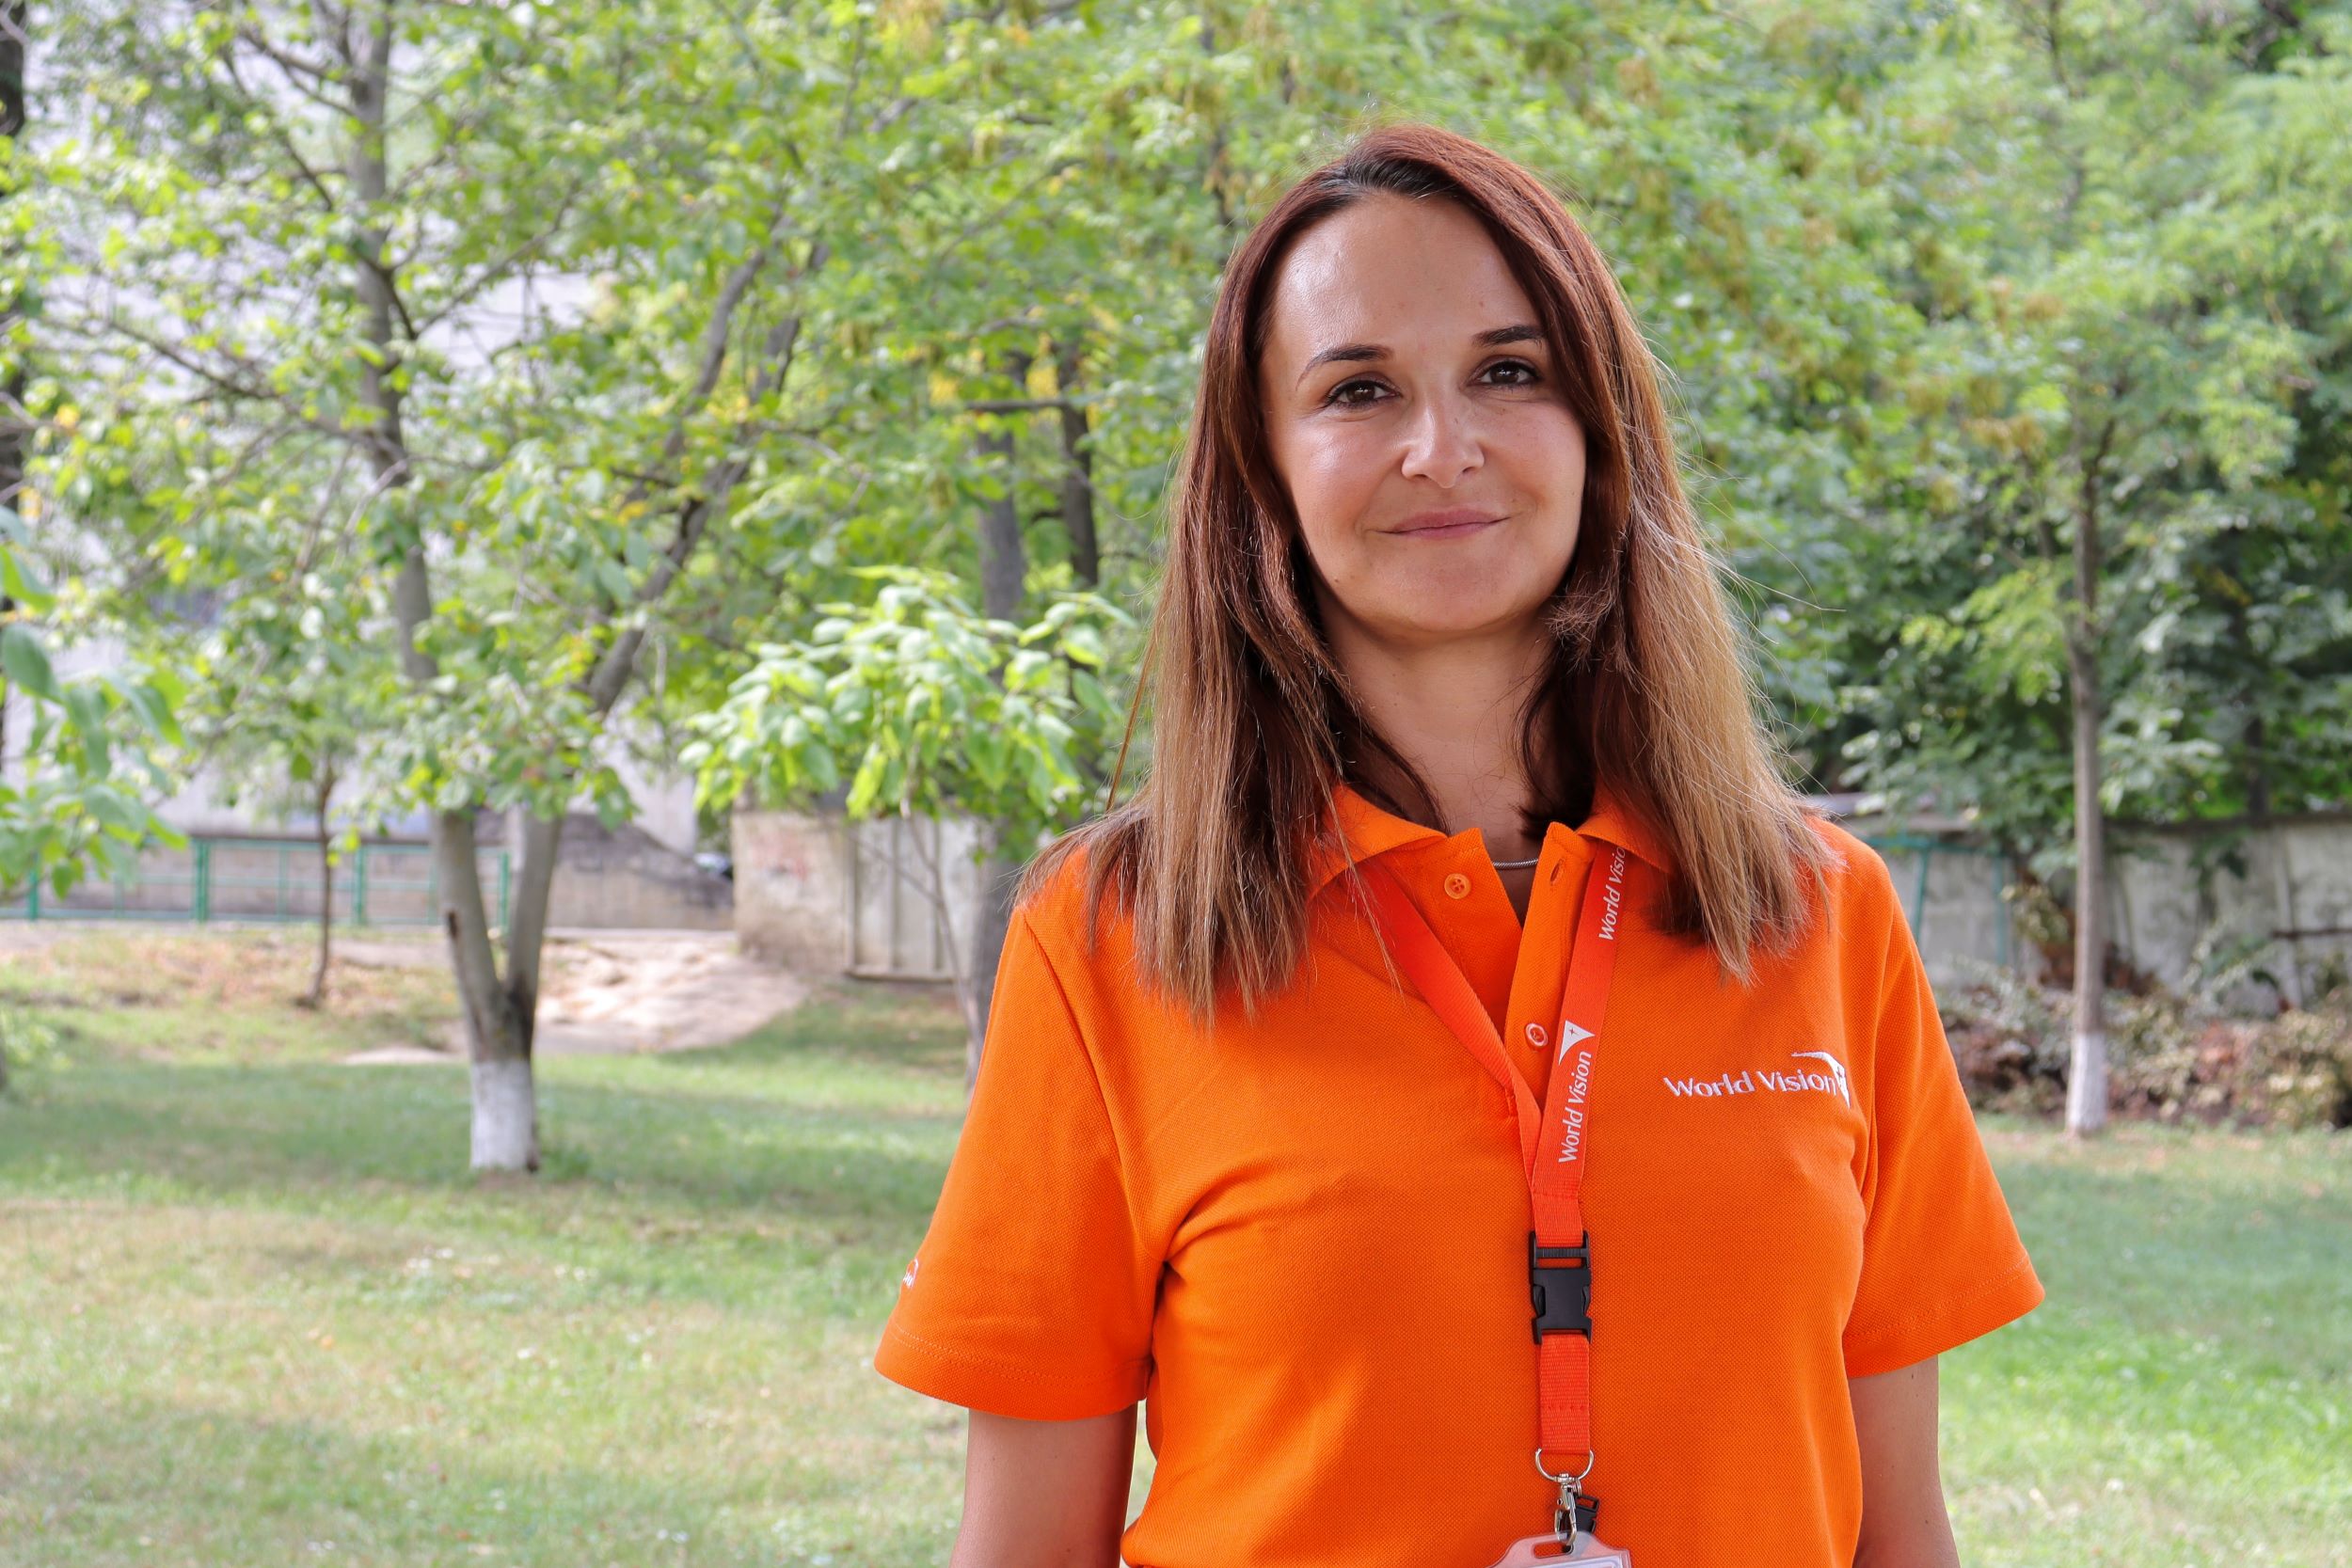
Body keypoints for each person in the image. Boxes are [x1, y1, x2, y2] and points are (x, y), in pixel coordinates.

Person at [872, 120, 2044, 1568]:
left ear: (1598, 428)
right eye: (1358, 390)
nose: (1445, 448)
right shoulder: (1115, 931)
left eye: (1510, 371)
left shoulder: (1821, 910)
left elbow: (1899, 1534)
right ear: (1267, 478)